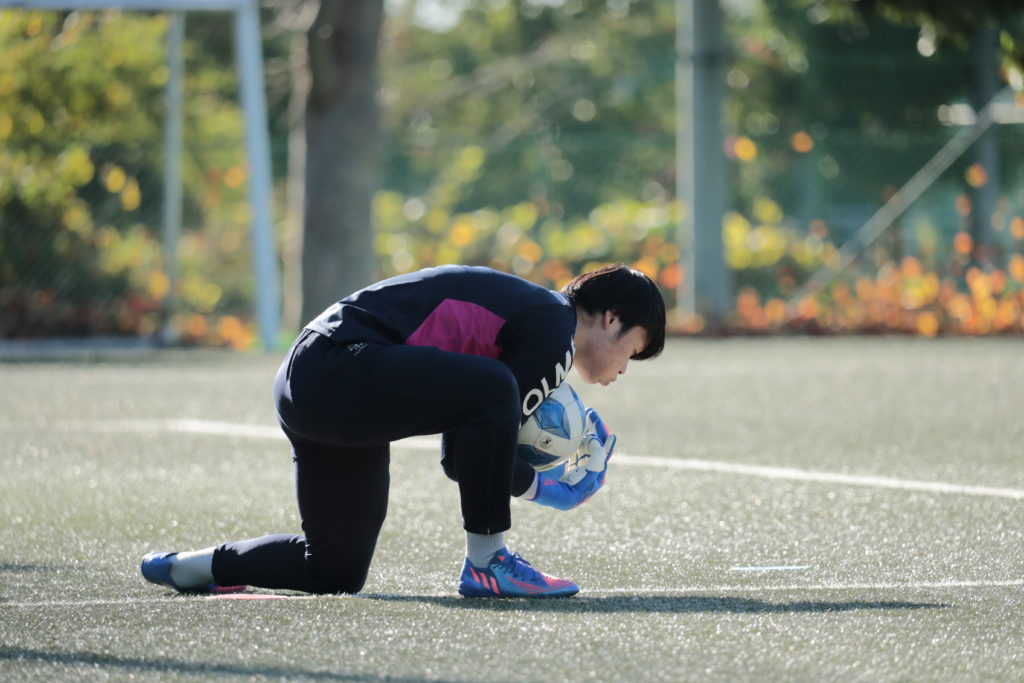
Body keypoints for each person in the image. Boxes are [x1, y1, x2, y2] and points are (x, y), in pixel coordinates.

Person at [141, 263, 665, 598]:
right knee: (494, 387)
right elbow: (476, 433)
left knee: (334, 571)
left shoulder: (538, 321)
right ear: (611, 319)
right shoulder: (554, 328)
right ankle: (488, 562)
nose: (622, 370)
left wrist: (540, 486)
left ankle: (192, 566)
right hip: (337, 366)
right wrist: (550, 490)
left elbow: (463, 455)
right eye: (633, 351)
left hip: (316, 382)